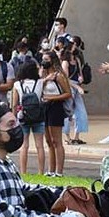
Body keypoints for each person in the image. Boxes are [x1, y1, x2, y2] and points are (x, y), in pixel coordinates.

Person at [10, 58, 47, 175]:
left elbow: (15, 104)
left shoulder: (17, 84)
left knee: (24, 145)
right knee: (40, 145)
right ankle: (41, 172)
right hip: (38, 116)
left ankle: (23, 171)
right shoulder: (40, 83)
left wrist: (14, 118)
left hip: (23, 116)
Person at [39, 49, 72, 177]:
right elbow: (38, 89)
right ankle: (50, 170)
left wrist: (51, 98)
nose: (44, 62)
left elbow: (68, 93)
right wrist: (45, 79)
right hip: (45, 107)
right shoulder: (44, 75)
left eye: (46, 60)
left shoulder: (59, 76)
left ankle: (59, 171)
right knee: (48, 140)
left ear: (53, 61)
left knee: (56, 140)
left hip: (55, 107)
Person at [62, 39, 89, 146]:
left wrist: (81, 77)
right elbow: (65, 79)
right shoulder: (65, 62)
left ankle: (77, 136)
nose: (75, 47)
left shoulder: (77, 60)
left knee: (81, 111)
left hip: (77, 85)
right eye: (73, 46)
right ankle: (67, 137)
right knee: (67, 112)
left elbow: (80, 73)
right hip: (69, 87)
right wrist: (77, 87)